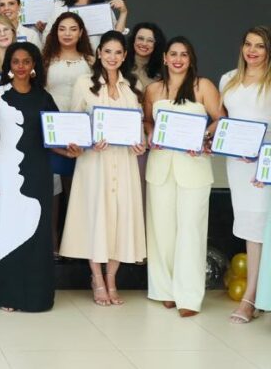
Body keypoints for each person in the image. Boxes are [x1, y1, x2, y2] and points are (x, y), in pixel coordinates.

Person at [0, 42, 79, 312]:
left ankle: (37, 296)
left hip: (38, 170)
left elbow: (52, 138)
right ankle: (8, 295)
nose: (21, 66)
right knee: (10, 231)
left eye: (27, 61)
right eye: (16, 61)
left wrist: (69, 150)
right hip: (6, 169)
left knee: (37, 231)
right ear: (9, 66)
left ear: (34, 64)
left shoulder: (44, 97)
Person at [59, 31, 147, 306]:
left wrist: (141, 144)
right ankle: (97, 278)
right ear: (99, 53)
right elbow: (74, 123)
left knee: (121, 218)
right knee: (95, 217)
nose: (112, 57)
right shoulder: (84, 83)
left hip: (124, 162)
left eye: (118, 52)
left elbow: (139, 126)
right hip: (94, 162)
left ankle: (112, 278)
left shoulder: (132, 86)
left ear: (124, 56)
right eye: (107, 51)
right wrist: (86, 141)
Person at [143, 36, 222, 317]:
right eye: (173, 54)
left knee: (191, 230)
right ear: (164, 58)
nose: (178, 59)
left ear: (191, 59)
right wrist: (150, 130)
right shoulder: (152, 89)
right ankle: (164, 290)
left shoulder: (204, 86)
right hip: (161, 166)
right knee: (162, 231)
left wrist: (204, 136)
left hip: (194, 166)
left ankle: (188, 296)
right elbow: (148, 120)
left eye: (184, 55)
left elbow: (219, 118)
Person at [219, 26, 271, 323]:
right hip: (237, 165)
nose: (252, 51)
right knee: (250, 226)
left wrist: (261, 153)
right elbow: (222, 121)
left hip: (262, 166)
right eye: (248, 44)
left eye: (260, 46)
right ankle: (259, 294)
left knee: (259, 229)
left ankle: (251, 297)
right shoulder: (229, 80)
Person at [42, 11, 94, 254]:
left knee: (77, 187)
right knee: (52, 188)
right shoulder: (45, 60)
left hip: (80, 128)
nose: (67, 33)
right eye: (62, 28)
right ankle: (52, 243)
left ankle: (76, 246)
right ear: (55, 32)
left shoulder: (91, 61)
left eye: (73, 29)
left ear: (81, 32)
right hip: (52, 127)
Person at [124, 22, 167, 89]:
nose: (144, 43)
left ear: (156, 44)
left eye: (150, 40)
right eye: (140, 38)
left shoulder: (162, 72)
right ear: (133, 40)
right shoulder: (121, 65)